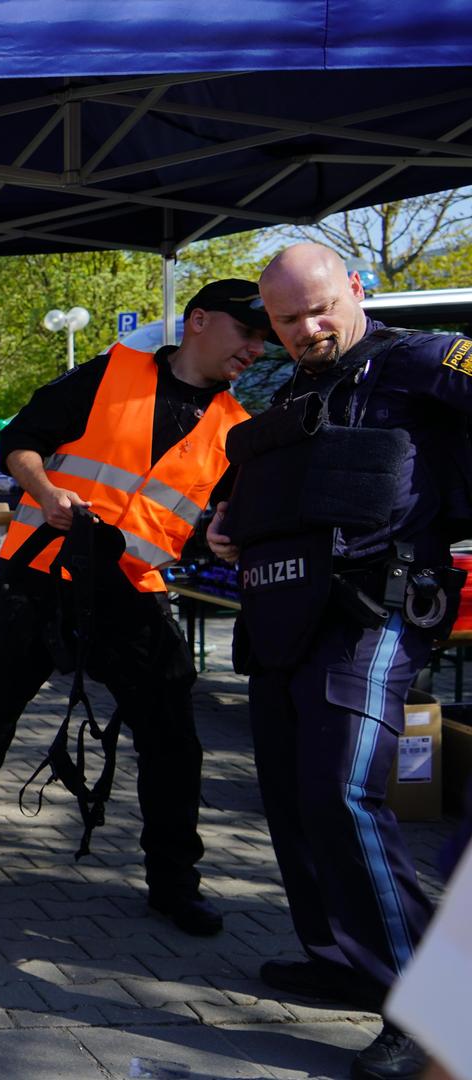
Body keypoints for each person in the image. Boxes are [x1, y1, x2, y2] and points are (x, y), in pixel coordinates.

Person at [0, 279, 272, 941]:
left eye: (263, 339)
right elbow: (19, 441)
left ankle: (174, 883)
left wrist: (220, 536)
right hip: (36, 576)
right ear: (198, 321)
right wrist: (45, 490)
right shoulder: (111, 373)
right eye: (246, 332)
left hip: (131, 592)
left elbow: (203, 526)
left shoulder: (236, 430)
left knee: (173, 740)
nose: (255, 348)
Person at [207, 243, 472, 1080]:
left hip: (383, 608)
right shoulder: (291, 389)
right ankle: (338, 952)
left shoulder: (426, 361)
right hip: (288, 611)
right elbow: (253, 485)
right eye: (287, 320)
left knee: (341, 790)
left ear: (356, 289)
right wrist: (223, 520)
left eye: (319, 309)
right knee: (290, 791)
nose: (306, 329)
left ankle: (435, 1013)